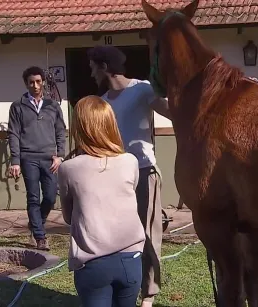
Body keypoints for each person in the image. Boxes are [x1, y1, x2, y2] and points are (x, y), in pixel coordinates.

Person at [87, 45, 170, 306]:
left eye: (92, 66)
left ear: (104, 67)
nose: (90, 72)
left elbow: (171, 111)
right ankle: (126, 286)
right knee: (120, 234)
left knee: (147, 233)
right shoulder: (103, 103)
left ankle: (150, 292)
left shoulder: (142, 89)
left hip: (144, 171)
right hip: (115, 175)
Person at [58, 95, 146, 307]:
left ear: (80, 128)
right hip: (131, 260)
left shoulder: (68, 168)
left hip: (92, 264)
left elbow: (69, 217)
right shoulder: (130, 161)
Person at [7, 66, 67, 251]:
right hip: (28, 158)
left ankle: (36, 224)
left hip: (50, 159)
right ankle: (40, 237)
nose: (35, 85)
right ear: (26, 83)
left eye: (38, 81)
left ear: (43, 83)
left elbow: (60, 131)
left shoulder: (53, 106)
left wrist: (60, 156)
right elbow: (13, 134)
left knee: (50, 197)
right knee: (33, 197)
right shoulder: (17, 106)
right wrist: (15, 161)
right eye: (31, 82)